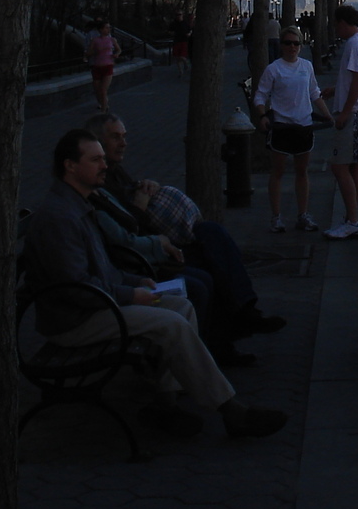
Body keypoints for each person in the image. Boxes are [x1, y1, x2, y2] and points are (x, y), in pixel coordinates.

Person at [22, 129, 286, 440]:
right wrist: (131, 294)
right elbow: (74, 286)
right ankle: (231, 411)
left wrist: (138, 281)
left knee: (182, 305)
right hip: (76, 320)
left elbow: (100, 269)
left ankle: (166, 404)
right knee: (170, 324)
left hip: (94, 304)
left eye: (103, 159)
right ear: (70, 166)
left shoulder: (79, 204)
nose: (104, 165)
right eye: (95, 160)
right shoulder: (60, 217)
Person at [85, 112, 286, 340]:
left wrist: (148, 185)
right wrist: (141, 208)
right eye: (115, 137)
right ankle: (228, 332)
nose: (123, 143)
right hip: (147, 252)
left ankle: (246, 310)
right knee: (208, 268)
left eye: (124, 136)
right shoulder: (97, 184)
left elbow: (133, 193)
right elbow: (127, 229)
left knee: (211, 232)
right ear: (97, 143)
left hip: (158, 240)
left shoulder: (113, 170)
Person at [253, 27, 331, 233]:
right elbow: (260, 95)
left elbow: (315, 93)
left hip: (304, 125)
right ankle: (276, 217)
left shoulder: (306, 66)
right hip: (281, 126)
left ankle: (303, 215)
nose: (292, 47)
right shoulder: (274, 69)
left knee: (301, 171)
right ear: (281, 45)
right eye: (288, 43)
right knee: (277, 171)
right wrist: (262, 115)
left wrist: (328, 115)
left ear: (301, 46)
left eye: (296, 43)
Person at [321, 5, 358, 241]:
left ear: (344, 23)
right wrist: (336, 90)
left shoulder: (355, 44)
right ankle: (351, 217)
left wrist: (344, 112)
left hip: (356, 113)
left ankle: (353, 221)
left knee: (339, 165)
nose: (335, 29)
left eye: (336, 24)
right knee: (355, 165)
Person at [84, 21, 121, 112]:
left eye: (109, 28)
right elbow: (88, 52)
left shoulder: (112, 39)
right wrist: (94, 52)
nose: (108, 30)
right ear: (101, 29)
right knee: (97, 90)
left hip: (108, 65)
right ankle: (103, 103)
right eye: (106, 28)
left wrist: (116, 54)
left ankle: (104, 112)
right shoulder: (95, 40)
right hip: (97, 66)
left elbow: (119, 49)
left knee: (103, 89)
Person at [168, 11, 193, 78]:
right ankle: (180, 72)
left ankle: (186, 63)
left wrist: (189, 34)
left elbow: (190, 30)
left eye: (179, 15)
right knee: (177, 57)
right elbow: (169, 31)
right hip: (176, 41)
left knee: (182, 56)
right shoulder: (173, 24)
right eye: (177, 15)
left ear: (182, 15)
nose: (178, 16)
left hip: (184, 41)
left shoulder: (185, 23)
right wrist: (171, 33)